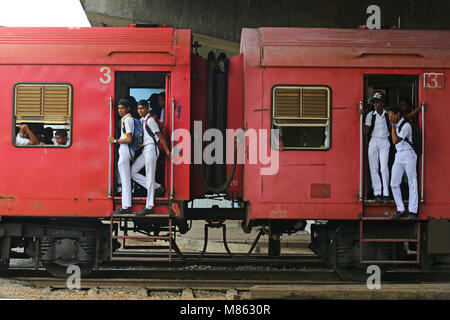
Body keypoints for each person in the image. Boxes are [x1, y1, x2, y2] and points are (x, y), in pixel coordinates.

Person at [131, 100, 171, 216]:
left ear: (147, 109)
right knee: (132, 172)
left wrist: (168, 151)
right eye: (139, 108)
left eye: (143, 108)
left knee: (149, 177)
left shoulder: (150, 120)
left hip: (152, 149)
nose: (140, 111)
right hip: (145, 150)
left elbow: (160, 137)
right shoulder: (142, 121)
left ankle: (149, 206)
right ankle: (158, 187)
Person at [389, 106, 418, 220]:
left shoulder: (406, 125)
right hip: (399, 155)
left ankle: (413, 210)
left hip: (409, 155)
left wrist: (392, 126)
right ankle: (400, 209)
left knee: (412, 182)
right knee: (393, 183)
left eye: (391, 115)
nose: (390, 117)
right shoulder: (396, 125)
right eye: (388, 115)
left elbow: (395, 141)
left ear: (397, 115)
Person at [108, 99, 135, 215]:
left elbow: (129, 139)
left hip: (126, 150)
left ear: (128, 109)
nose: (120, 110)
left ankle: (126, 206)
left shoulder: (128, 120)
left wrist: (114, 140)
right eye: (119, 108)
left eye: (122, 108)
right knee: (125, 177)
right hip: (125, 150)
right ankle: (125, 205)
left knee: (125, 179)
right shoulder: (125, 119)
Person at [363, 91, 391, 202]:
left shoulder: (388, 114)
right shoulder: (370, 115)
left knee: (384, 168)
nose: (376, 105)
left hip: (385, 141)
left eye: (378, 102)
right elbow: (365, 131)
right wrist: (361, 116)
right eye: (374, 103)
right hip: (373, 141)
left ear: (383, 103)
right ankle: (377, 192)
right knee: (373, 168)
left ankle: (386, 193)